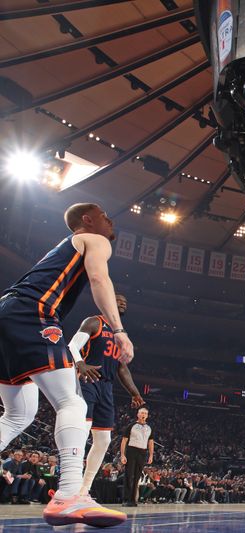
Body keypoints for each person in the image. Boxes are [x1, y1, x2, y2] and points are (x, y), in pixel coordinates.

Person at [0, 203, 130, 527]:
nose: (110, 220)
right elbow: (100, 280)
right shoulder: (94, 239)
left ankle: (72, 494)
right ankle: (69, 494)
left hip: (7, 310)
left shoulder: (62, 248)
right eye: (105, 215)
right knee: (71, 401)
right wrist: (119, 330)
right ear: (87, 220)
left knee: (18, 415)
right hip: (34, 313)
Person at [68, 293, 145, 497]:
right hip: (88, 380)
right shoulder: (94, 322)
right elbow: (72, 346)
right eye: (118, 299)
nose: (122, 302)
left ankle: (84, 489)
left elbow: (122, 368)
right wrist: (80, 363)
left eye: (125, 301)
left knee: (103, 440)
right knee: (82, 431)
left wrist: (134, 392)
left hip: (107, 387)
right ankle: (70, 484)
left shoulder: (122, 335)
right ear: (107, 302)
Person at [120, 406, 154, 506]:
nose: (143, 415)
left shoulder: (149, 428)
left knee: (137, 476)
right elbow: (124, 441)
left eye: (145, 413)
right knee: (129, 475)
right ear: (138, 414)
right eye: (142, 413)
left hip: (142, 452)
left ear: (147, 416)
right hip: (131, 450)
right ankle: (126, 499)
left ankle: (133, 499)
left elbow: (151, 442)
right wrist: (122, 455)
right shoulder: (131, 425)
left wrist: (151, 455)